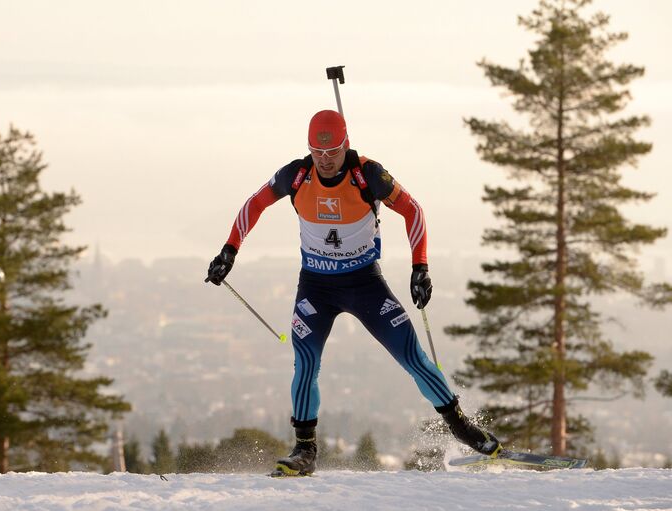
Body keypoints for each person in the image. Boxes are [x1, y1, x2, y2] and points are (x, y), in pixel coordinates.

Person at [205, 110, 501, 476]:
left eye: (332, 152)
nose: (325, 160)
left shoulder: (368, 174)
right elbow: (255, 204)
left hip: (365, 284)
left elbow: (414, 212)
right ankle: (305, 450)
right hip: (316, 286)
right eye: (317, 152)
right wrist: (229, 250)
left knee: (412, 356)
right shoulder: (296, 175)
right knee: (305, 362)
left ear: (346, 144)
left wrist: (420, 267)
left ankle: (464, 429)